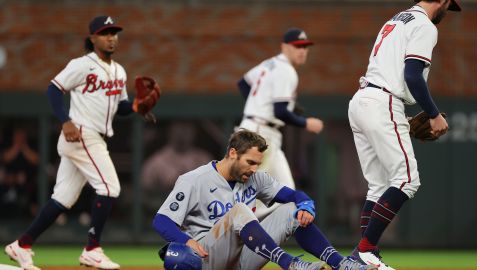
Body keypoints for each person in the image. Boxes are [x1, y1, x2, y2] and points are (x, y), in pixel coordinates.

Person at [4, 15, 136, 270]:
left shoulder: (119, 70)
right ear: (92, 38)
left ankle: (22, 244)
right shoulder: (82, 64)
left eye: (114, 32)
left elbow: (121, 107)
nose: (111, 37)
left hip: (93, 136)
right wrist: (65, 120)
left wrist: (138, 106)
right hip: (82, 133)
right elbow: (54, 89)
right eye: (105, 33)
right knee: (109, 188)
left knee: (63, 198)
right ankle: (92, 249)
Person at [152, 130, 377, 270]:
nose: (255, 168)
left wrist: (306, 204)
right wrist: (186, 241)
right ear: (232, 153)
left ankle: (340, 264)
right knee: (239, 210)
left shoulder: (255, 178)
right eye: (250, 162)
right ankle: (289, 264)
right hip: (208, 257)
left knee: (291, 210)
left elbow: (294, 195)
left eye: (258, 163)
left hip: (243, 259)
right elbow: (161, 220)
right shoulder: (194, 180)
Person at [348, 0, 459, 269]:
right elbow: (412, 75)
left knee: (378, 185)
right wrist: (433, 114)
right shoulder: (424, 25)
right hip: (384, 101)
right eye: (449, 4)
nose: (448, 10)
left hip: (362, 100)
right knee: (407, 179)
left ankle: (364, 259)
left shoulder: (395, 20)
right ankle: (365, 251)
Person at [237, 27, 324, 219]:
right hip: (261, 134)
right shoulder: (287, 71)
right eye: (297, 46)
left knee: (288, 192)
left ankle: (259, 237)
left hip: (256, 128)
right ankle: (234, 233)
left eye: (305, 47)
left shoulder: (269, 64)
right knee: (250, 194)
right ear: (284, 46)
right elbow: (280, 111)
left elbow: (243, 83)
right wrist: (305, 123)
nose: (302, 51)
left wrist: (258, 103)